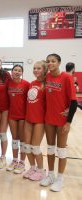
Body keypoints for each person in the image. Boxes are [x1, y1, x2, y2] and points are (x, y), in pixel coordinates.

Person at [40, 53, 77, 192]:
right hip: (49, 119)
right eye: (48, 61)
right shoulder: (47, 77)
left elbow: (73, 101)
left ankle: (60, 179)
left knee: (61, 151)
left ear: (59, 63)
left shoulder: (67, 77)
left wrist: (68, 122)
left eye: (53, 61)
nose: (50, 63)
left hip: (62, 120)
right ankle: (50, 175)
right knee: (50, 149)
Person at [23, 61, 48, 181]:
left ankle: (41, 170)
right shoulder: (32, 83)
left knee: (35, 147)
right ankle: (32, 168)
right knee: (26, 146)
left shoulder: (47, 84)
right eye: (34, 68)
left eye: (38, 68)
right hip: (29, 118)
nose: (35, 70)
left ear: (44, 70)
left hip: (40, 120)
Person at [6, 65, 30, 174]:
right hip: (12, 115)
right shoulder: (9, 83)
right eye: (15, 70)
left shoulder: (26, 84)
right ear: (12, 72)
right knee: (14, 138)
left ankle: (22, 162)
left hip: (23, 116)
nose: (17, 72)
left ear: (22, 73)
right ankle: (15, 160)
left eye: (19, 70)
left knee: (22, 139)